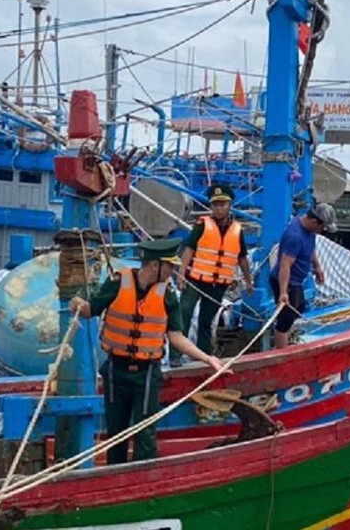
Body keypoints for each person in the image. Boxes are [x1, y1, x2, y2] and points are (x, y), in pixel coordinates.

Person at [70, 238, 222, 464]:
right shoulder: (117, 282)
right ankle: (115, 477)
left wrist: (207, 358)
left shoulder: (167, 294)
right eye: (169, 266)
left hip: (147, 373)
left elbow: (176, 336)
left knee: (146, 433)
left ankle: (143, 477)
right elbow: (91, 310)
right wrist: (77, 305)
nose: (172, 271)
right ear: (154, 265)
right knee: (116, 432)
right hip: (116, 370)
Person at [177, 183, 254, 355]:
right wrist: (181, 274)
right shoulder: (202, 224)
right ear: (211, 206)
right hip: (196, 279)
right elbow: (189, 249)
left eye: (222, 204)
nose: (219, 209)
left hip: (218, 284)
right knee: (184, 312)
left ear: (229, 205)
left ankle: (203, 353)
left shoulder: (237, 230)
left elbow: (242, 258)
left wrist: (248, 281)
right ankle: (177, 354)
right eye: (215, 205)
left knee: (207, 319)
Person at [271, 202, 337, 349]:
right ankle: (281, 354)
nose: (322, 231)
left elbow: (310, 247)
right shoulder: (294, 236)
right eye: (323, 228)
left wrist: (317, 266)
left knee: (299, 307)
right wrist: (283, 292)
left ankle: (286, 338)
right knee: (286, 318)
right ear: (315, 221)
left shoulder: (309, 230)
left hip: (297, 281)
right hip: (287, 280)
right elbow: (284, 265)